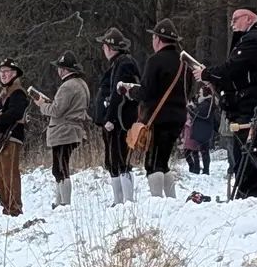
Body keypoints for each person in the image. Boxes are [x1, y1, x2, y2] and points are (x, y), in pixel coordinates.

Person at [205, 10, 257, 199]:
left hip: (255, 104)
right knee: (241, 153)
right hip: (246, 104)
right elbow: (236, 74)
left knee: (248, 152)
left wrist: (209, 73)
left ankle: (253, 194)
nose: (233, 25)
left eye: (235, 20)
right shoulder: (249, 40)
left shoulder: (254, 40)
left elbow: (234, 67)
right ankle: (247, 193)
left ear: (249, 18)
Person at [130, 21, 192, 199]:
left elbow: (146, 92)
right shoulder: (184, 64)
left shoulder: (155, 61)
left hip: (158, 118)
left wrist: (130, 91)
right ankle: (171, 200)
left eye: (153, 37)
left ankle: (157, 201)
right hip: (178, 117)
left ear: (158, 39)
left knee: (153, 163)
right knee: (163, 161)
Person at [32, 54, 91, 207]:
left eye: (59, 67)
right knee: (59, 167)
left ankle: (64, 203)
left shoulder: (67, 86)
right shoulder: (82, 84)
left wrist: (42, 105)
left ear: (64, 70)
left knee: (60, 168)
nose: (57, 70)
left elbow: (57, 111)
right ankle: (60, 202)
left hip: (63, 131)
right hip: (74, 129)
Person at [95, 28, 141, 204]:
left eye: (104, 46)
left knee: (121, 159)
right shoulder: (119, 63)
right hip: (117, 119)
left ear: (109, 47)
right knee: (113, 160)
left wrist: (110, 118)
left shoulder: (124, 64)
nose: (103, 50)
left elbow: (118, 93)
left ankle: (126, 200)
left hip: (120, 121)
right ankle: (118, 199)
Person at [0, 61, 29, 216]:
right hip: (0, 138)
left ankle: (14, 208)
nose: (3, 74)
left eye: (7, 71)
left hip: (11, 137)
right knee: (1, 174)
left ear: (15, 73)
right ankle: (6, 207)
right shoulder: (4, 92)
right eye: (1, 72)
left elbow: (15, 113)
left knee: (9, 173)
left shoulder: (17, 92)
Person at [183, 80, 221, 177]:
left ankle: (206, 170)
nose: (199, 94)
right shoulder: (205, 102)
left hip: (203, 130)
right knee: (202, 150)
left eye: (200, 92)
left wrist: (190, 109)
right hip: (202, 129)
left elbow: (199, 115)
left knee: (204, 151)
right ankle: (203, 169)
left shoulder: (206, 103)